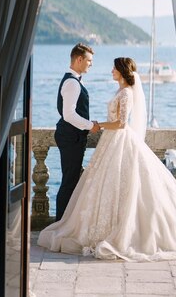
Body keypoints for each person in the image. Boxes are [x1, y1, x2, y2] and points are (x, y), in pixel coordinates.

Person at [38, 57, 176, 262]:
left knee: (122, 184)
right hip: (110, 142)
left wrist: (98, 125)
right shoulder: (121, 91)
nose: (111, 71)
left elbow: (120, 123)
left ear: (121, 70)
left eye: (114, 68)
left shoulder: (126, 93)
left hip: (119, 140)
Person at [54, 42, 100, 221]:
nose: (91, 64)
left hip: (71, 136)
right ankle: (59, 224)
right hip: (70, 138)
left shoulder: (72, 80)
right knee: (69, 182)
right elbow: (69, 115)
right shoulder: (72, 83)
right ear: (79, 59)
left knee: (71, 180)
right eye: (89, 60)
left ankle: (64, 222)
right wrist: (91, 126)